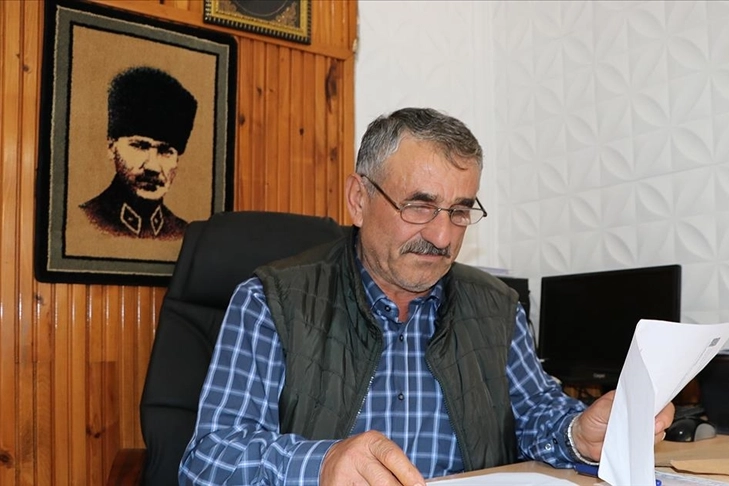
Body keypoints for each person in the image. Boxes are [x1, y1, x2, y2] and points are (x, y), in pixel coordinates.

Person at [179, 107, 674, 485]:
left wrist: (577, 433)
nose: (441, 236)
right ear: (358, 199)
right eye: (419, 206)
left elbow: (532, 413)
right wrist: (322, 463)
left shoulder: (496, 306)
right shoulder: (272, 302)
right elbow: (209, 459)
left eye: (459, 211)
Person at [80, 66, 197, 239]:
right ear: (111, 147)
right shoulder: (84, 221)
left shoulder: (183, 233)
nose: (152, 166)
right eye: (140, 146)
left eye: (165, 151)